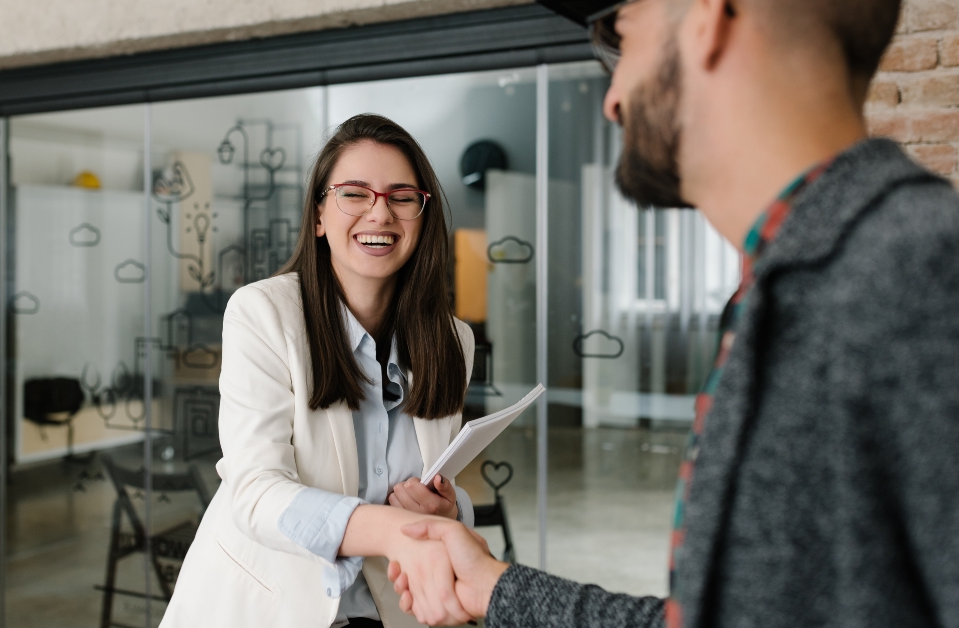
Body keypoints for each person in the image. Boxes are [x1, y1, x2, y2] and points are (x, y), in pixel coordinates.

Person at [387, 0, 959, 626]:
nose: (612, 98)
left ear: (711, 19)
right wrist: (496, 590)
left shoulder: (922, 274)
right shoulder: (789, 291)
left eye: (620, 37)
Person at [161, 114, 481, 628]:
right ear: (318, 216)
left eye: (402, 197)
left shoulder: (452, 340)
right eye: (354, 194)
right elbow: (256, 492)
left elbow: (436, 481)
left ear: (423, 217)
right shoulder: (261, 313)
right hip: (267, 611)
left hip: (392, 613)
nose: (380, 214)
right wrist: (393, 530)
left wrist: (451, 512)